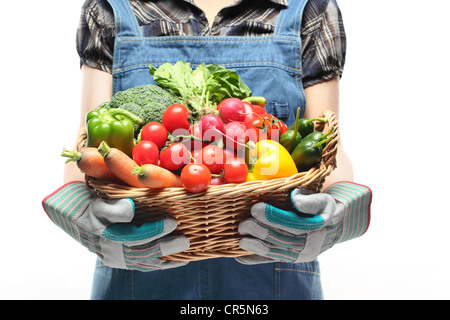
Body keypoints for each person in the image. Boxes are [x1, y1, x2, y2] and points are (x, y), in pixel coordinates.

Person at [43, 0, 372, 300]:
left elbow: (327, 146)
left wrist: (335, 219)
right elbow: (88, 147)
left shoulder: (309, 8)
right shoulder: (110, 8)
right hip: (136, 278)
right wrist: (85, 220)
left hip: (273, 284)